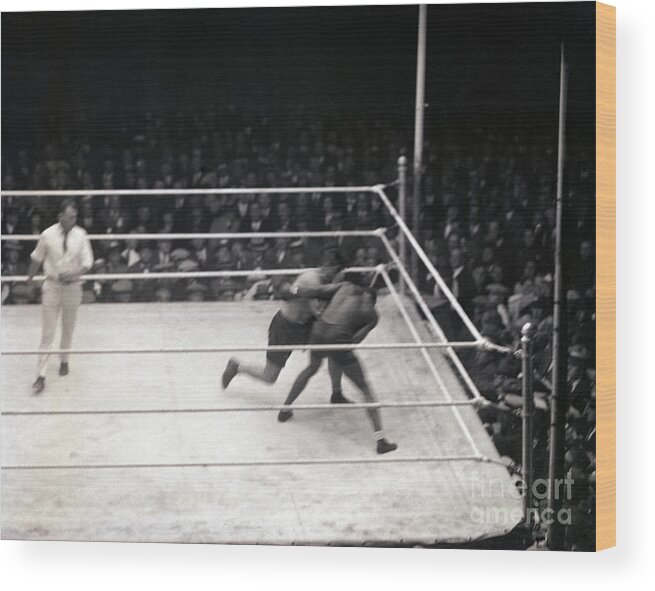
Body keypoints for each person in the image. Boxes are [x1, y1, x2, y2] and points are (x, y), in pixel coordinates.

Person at [277, 281, 397, 455]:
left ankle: (285, 409)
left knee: (312, 367)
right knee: (364, 387)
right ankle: (381, 441)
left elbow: (316, 290)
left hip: (318, 332)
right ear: (374, 301)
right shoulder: (371, 314)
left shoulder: (345, 287)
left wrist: (293, 289)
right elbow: (354, 341)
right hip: (338, 339)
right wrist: (342, 351)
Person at [221, 249, 351, 404]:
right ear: (330, 267)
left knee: (336, 350)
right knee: (269, 377)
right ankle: (238, 367)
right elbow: (318, 312)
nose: (338, 274)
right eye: (337, 270)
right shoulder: (312, 278)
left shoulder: (328, 280)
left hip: (305, 326)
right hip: (286, 327)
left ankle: (336, 393)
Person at [26, 199, 94, 394]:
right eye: (70, 216)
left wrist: (74, 273)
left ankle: (64, 359)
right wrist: (29, 280)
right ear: (60, 217)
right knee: (48, 332)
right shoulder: (47, 234)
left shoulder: (81, 235)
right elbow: (36, 258)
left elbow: (88, 262)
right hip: (52, 286)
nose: (73, 220)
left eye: (75, 216)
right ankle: (40, 375)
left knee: (68, 327)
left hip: (73, 287)